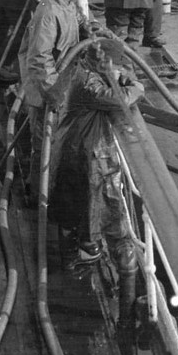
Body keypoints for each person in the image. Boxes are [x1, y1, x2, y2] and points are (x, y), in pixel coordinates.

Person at [48, 39, 144, 263]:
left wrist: (118, 77)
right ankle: (81, 253)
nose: (118, 70)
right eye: (116, 66)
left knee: (75, 205)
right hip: (80, 151)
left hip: (74, 146)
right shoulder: (89, 84)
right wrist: (137, 87)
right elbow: (119, 99)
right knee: (86, 201)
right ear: (104, 63)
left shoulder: (82, 71)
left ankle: (77, 248)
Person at [18, 0, 91, 205]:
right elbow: (39, 60)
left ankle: (47, 192)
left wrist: (93, 31)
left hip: (60, 84)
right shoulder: (48, 13)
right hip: (45, 91)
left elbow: (79, 22)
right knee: (44, 146)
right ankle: (39, 199)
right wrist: (52, 93)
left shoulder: (66, 4)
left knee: (54, 144)